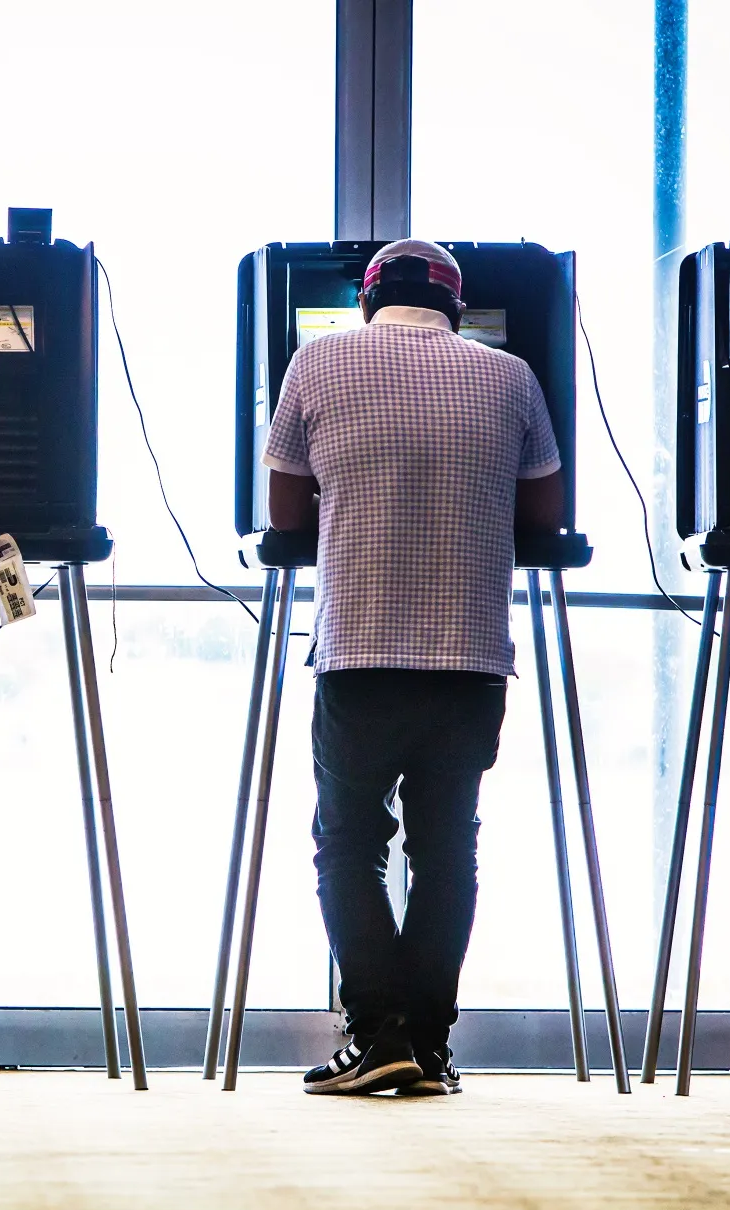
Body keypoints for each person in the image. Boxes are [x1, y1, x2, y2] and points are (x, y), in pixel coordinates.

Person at [261, 239, 564, 1096]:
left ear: (365, 301)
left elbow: (285, 509)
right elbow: (545, 510)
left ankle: (378, 1032)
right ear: (457, 307)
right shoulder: (510, 377)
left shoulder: (316, 362)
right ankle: (426, 1045)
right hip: (469, 654)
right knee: (446, 850)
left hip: (360, 647)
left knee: (350, 847)